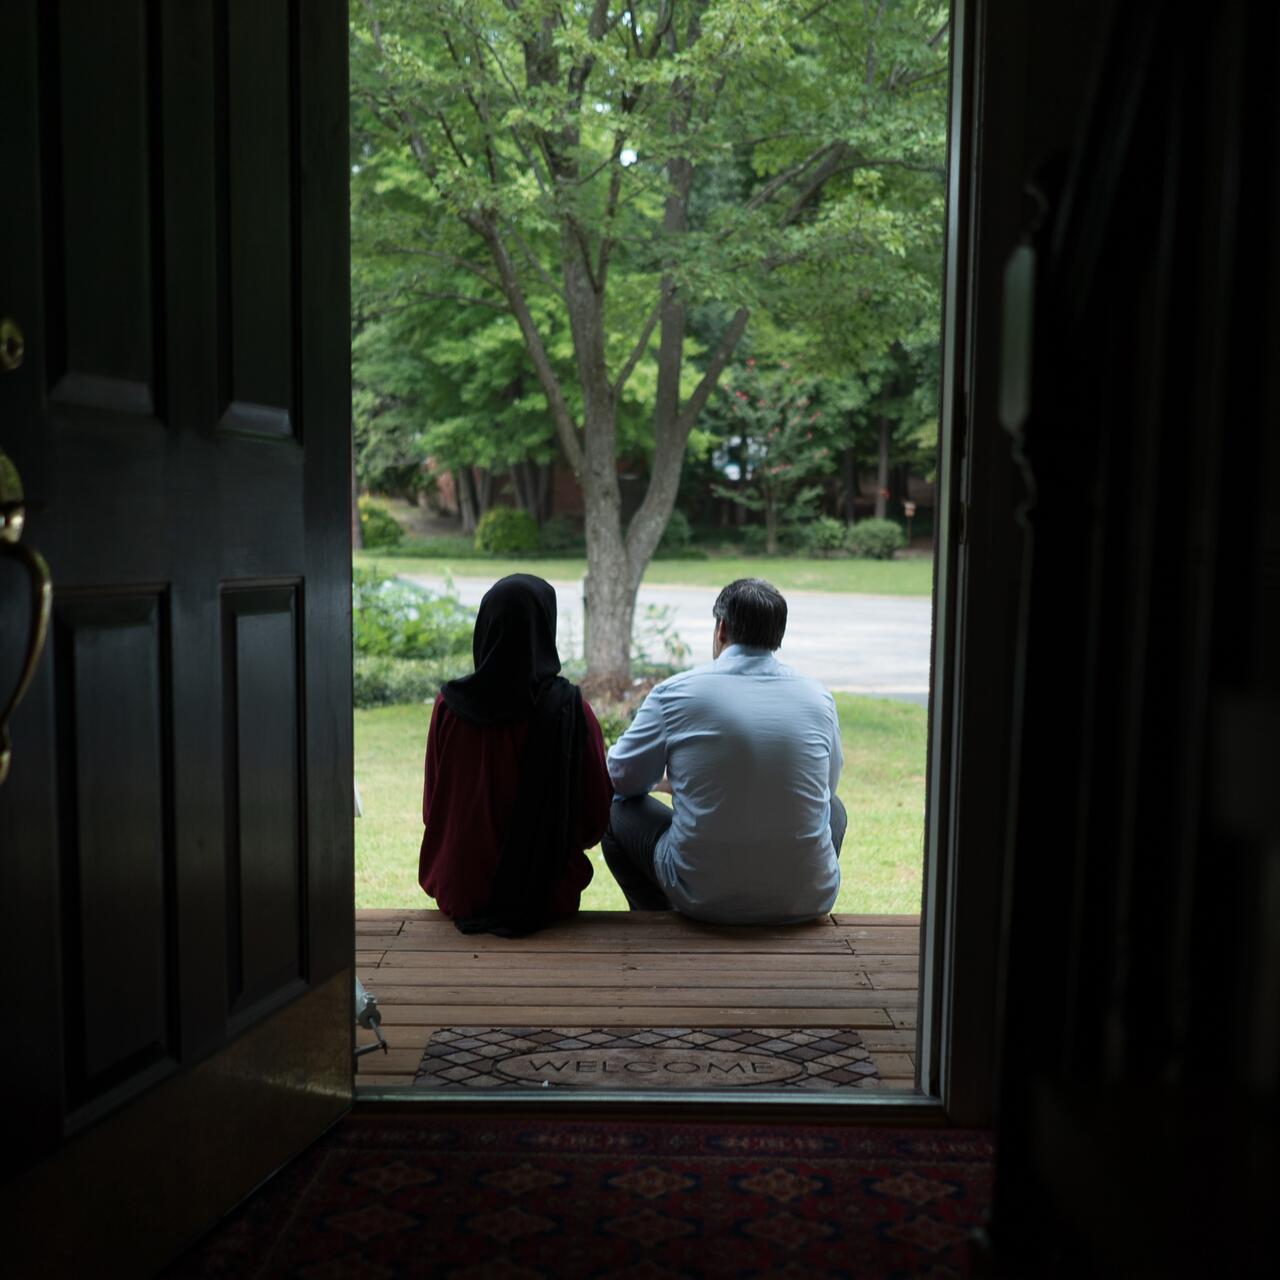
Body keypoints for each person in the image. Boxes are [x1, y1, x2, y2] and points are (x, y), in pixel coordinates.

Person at [602, 577, 846, 924]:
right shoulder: (818, 697)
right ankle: (792, 885)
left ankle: (653, 919)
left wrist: (667, 782)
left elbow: (620, 779)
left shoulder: (676, 693)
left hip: (702, 895)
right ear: (778, 635)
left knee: (617, 814)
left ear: (721, 628)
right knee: (834, 809)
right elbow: (826, 787)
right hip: (809, 899)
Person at [418, 573, 612, 935]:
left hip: (461, 890)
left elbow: (433, 809)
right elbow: (593, 821)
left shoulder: (449, 707)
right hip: (546, 897)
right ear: (545, 629)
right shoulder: (570, 711)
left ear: (486, 627)